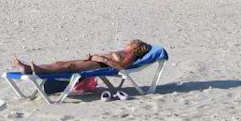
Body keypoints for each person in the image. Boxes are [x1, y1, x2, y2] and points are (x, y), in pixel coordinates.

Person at [12, 39, 152, 75]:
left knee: (69, 67)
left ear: (134, 47)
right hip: (96, 61)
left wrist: (101, 59)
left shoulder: (131, 55)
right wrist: (94, 56)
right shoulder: (125, 52)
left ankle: (40, 70)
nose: (127, 44)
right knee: (61, 62)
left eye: (130, 43)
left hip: (100, 65)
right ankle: (29, 68)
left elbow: (121, 67)